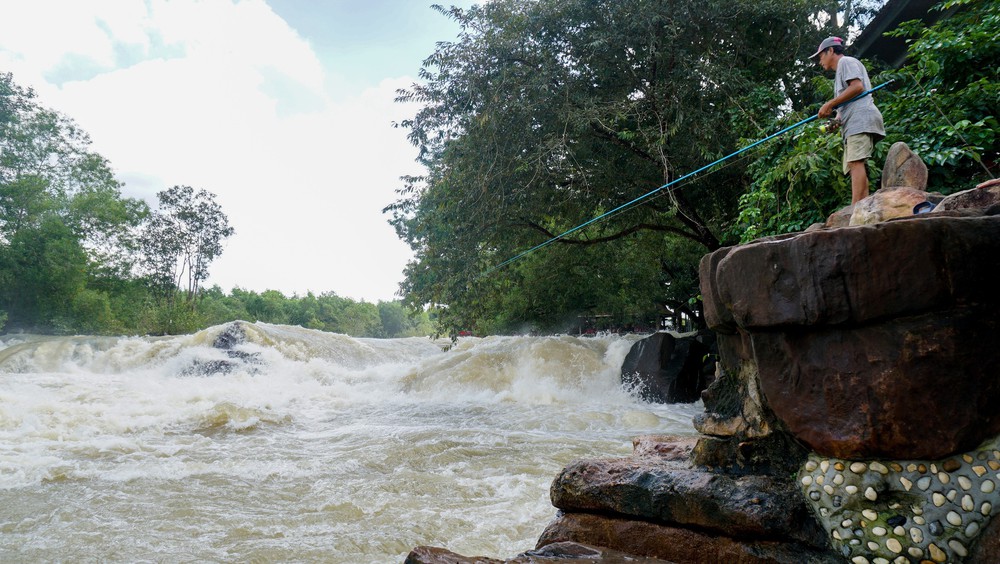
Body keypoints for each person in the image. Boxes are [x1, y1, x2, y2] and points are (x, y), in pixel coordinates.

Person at [811, 36, 886, 205]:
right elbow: (844, 107)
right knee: (855, 165)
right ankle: (863, 205)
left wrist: (830, 103)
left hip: (860, 118)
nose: (819, 61)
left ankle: (855, 209)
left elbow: (858, 87)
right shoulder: (839, 74)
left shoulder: (846, 62)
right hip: (853, 121)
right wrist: (835, 121)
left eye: (820, 56)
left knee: (855, 162)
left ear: (831, 51)